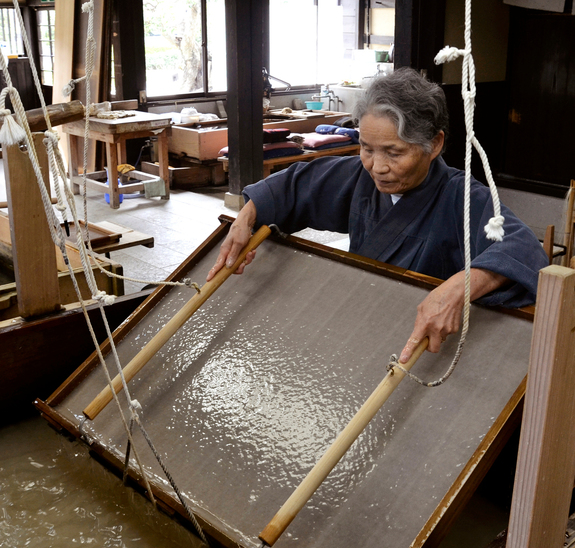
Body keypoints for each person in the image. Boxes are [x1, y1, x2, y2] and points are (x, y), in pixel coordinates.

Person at [208, 68, 548, 364]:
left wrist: (458, 288)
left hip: (422, 347)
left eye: (394, 152)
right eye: (367, 148)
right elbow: (295, 187)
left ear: (435, 144)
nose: (377, 166)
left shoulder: (462, 198)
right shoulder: (360, 175)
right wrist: (246, 216)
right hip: (360, 328)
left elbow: (522, 250)